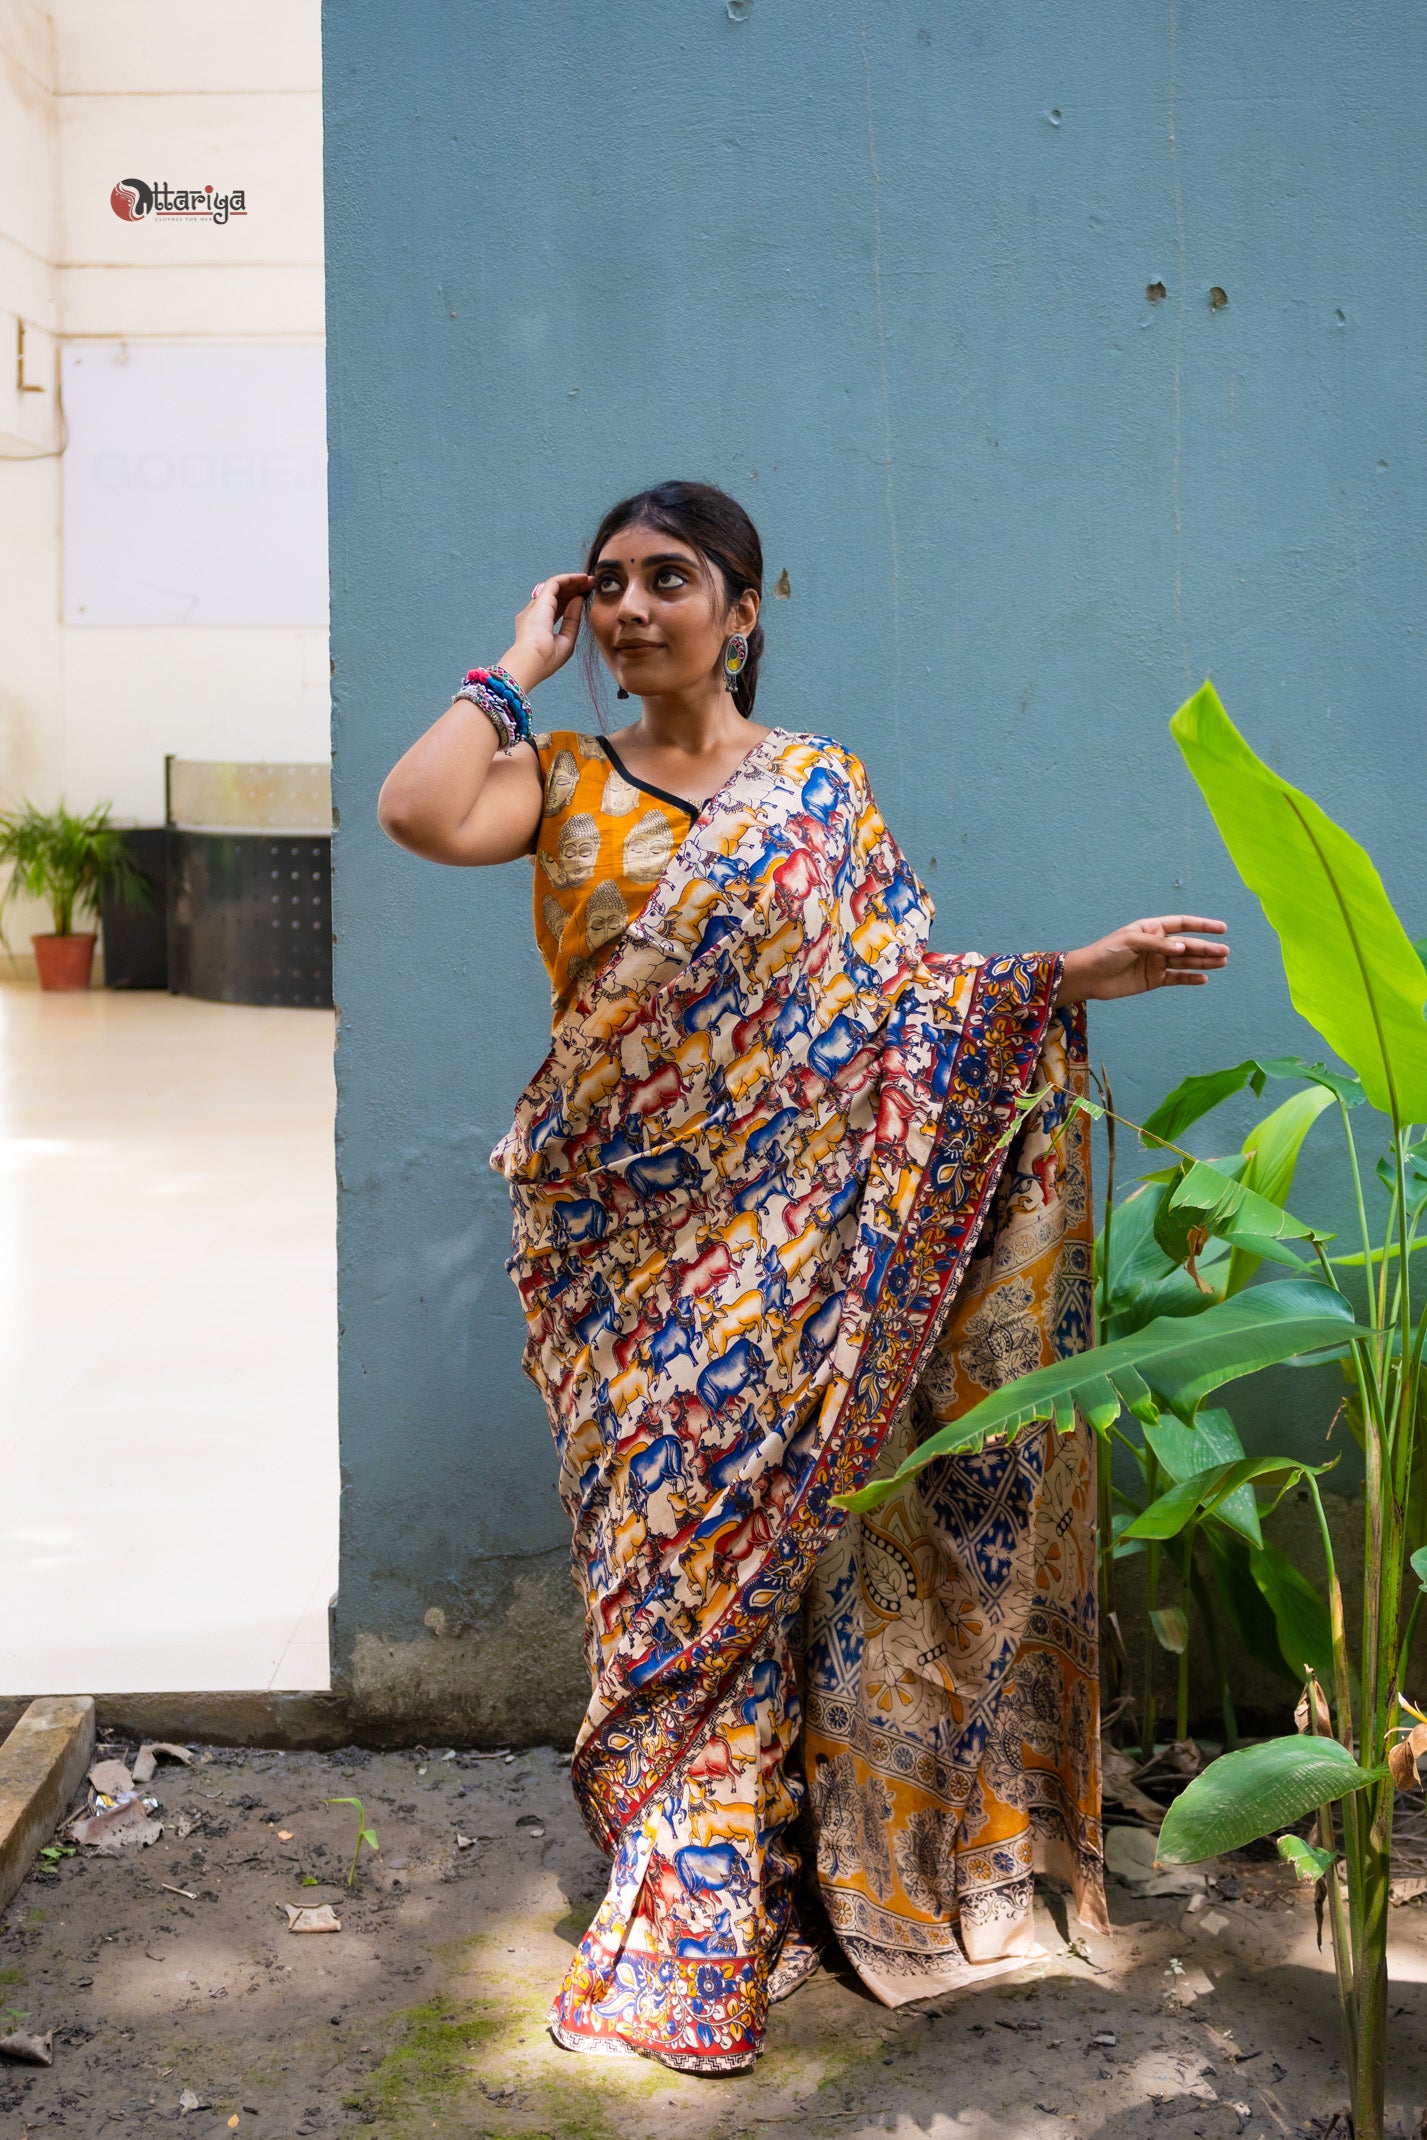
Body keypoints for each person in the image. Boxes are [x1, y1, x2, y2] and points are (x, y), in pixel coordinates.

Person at [377, 480, 1229, 2072]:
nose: (632, 610)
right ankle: (689, 1860)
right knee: (657, 1570)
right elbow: (420, 814)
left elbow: (904, 1009)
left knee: (751, 1560)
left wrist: (1070, 978)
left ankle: (727, 1881)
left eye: (670, 581)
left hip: (790, 1254)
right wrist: (514, 663)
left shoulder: (822, 793)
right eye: (610, 585)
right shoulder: (554, 778)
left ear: (744, 612)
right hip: (614, 1255)